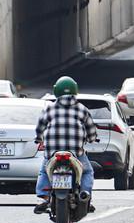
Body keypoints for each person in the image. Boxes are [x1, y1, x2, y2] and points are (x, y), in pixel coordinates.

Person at [33, 76, 99, 215]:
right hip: (76, 152)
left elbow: (40, 128)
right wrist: (92, 139)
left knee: (44, 170)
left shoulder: (49, 109)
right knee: (87, 171)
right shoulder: (82, 109)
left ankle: (44, 197)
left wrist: (38, 139)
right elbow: (91, 131)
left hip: (52, 152)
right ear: (75, 91)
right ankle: (85, 195)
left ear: (56, 91)